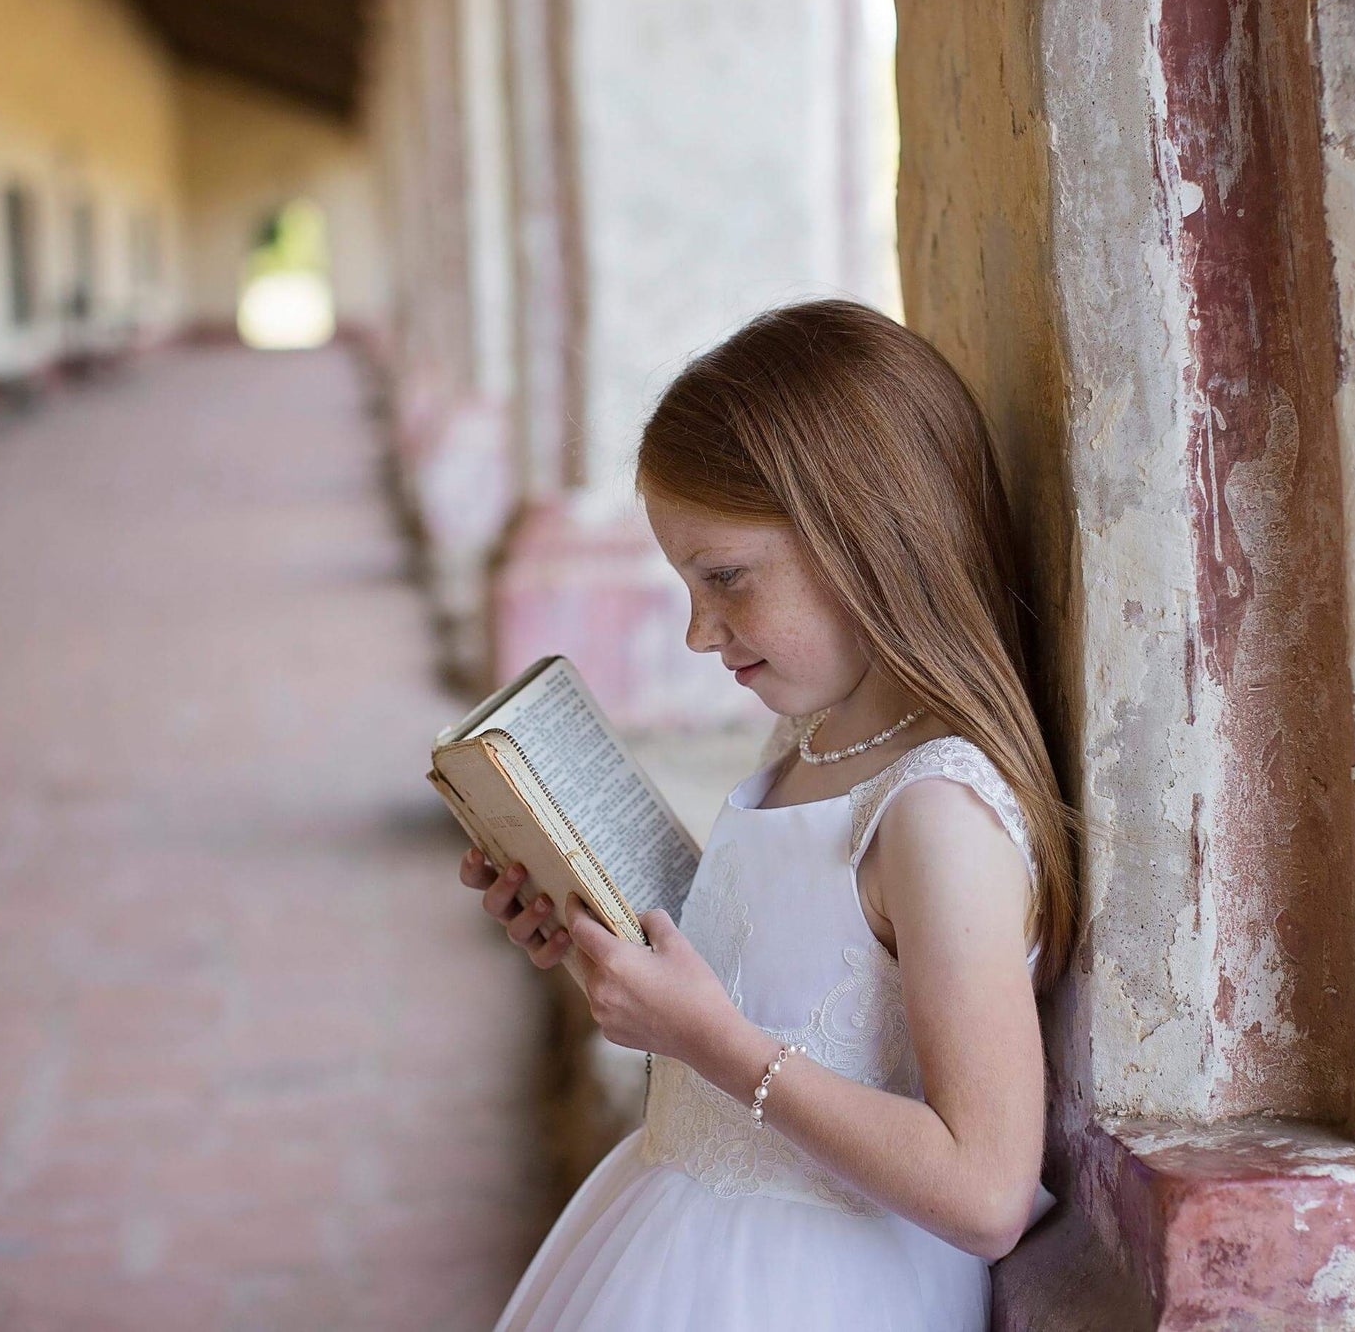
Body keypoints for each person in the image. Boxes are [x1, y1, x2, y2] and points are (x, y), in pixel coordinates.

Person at [458, 298, 1080, 1330]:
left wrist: (710, 1042)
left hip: (814, 1287)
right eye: (685, 585)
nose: (701, 630)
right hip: (675, 1236)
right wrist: (598, 946)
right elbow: (780, 991)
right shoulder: (805, 742)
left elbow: (984, 1194)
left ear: (866, 534)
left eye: (726, 578)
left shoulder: (935, 811)